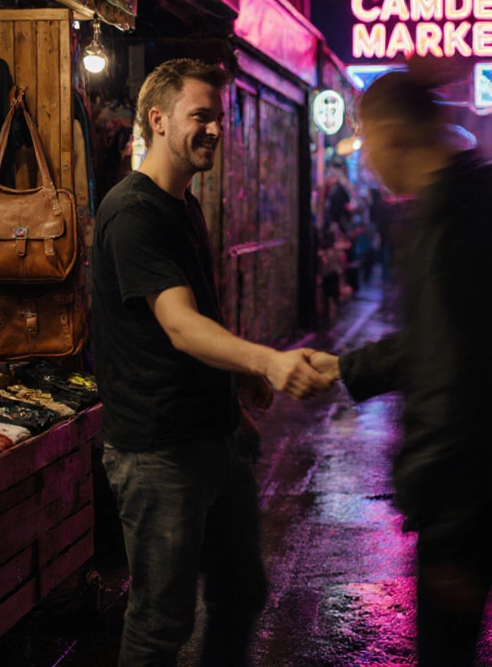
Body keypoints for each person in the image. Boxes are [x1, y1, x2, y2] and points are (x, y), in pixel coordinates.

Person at [308, 70, 492, 667]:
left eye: (365, 139)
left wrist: (444, 521)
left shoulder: (451, 225)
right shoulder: (487, 199)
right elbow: (445, 341)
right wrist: (347, 367)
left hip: (479, 499)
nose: (364, 156)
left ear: (392, 136)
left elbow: (455, 378)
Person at [91, 58, 332, 667]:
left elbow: (197, 320)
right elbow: (178, 324)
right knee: (159, 625)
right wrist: (270, 362)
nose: (215, 130)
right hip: (158, 452)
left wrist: (235, 390)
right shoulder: (132, 212)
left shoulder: (183, 205)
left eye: (218, 118)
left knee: (242, 593)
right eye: (200, 116)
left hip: (213, 442)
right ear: (157, 120)